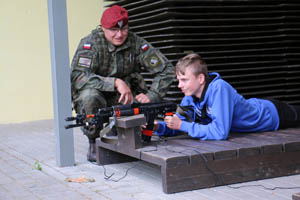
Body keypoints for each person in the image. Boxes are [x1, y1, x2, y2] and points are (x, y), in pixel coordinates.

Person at [71, 5, 175, 161]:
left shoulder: (135, 43)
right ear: (103, 28)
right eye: (113, 30)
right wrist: (114, 82)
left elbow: (166, 69)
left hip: (124, 97)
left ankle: (121, 133)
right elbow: (78, 76)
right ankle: (93, 141)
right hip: (97, 95)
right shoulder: (90, 44)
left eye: (124, 29)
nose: (119, 34)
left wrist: (153, 95)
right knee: (89, 97)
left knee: (136, 107)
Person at [155, 53, 300, 140]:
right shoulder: (189, 97)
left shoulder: (219, 88)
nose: (179, 85)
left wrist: (183, 125)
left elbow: (220, 132)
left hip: (272, 115)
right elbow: (179, 124)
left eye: (184, 80)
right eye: (179, 80)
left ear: (200, 79)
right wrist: (158, 127)